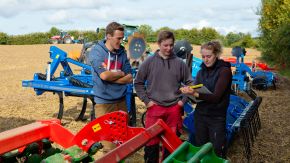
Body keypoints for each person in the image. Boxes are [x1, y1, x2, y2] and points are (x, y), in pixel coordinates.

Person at [134, 30, 193, 162]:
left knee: (172, 146)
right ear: (159, 44)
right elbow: (138, 83)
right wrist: (147, 101)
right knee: (151, 144)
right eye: (165, 45)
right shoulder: (148, 62)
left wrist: (182, 101)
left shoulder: (179, 63)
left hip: (174, 109)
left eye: (171, 45)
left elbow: (190, 83)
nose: (169, 48)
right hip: (154, 108)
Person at [180, 40, 232, 158]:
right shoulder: (200, 72)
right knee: (201, 148)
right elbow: (194, 96)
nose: (205, 59)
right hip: (201, 115)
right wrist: (188, 93)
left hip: (216, 117)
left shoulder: (224, 71)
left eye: (209, 56)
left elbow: (216, 97)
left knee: (216, 149)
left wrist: (196, 93)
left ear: (216, 55)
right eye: (203, 56)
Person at [88, 22, 133, 151]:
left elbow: (129, 77)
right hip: (104, 103)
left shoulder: (122, 52)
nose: (121, 41)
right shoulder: (97, 51)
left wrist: (111, 77)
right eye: (118, 38)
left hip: (121, 101)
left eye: (122, 38)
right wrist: (120, 73)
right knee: (108, 144)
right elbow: (104, 76)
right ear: (108, 36)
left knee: (122, 139)